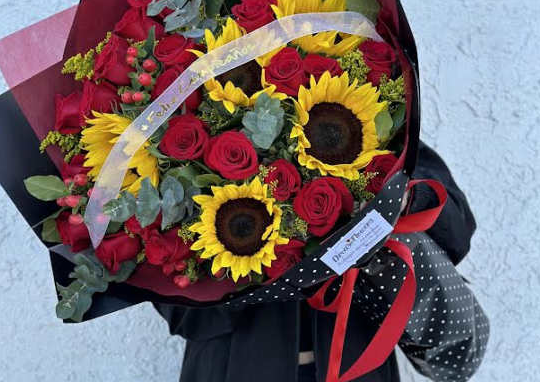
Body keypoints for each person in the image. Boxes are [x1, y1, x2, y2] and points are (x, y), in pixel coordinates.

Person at [156, 142, 478, 382]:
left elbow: (456, 230)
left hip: (356, 361)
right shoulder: (195, 147)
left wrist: (399, 198)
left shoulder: (375, 124)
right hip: (233, 367)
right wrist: (237, 247)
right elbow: (177, 304)